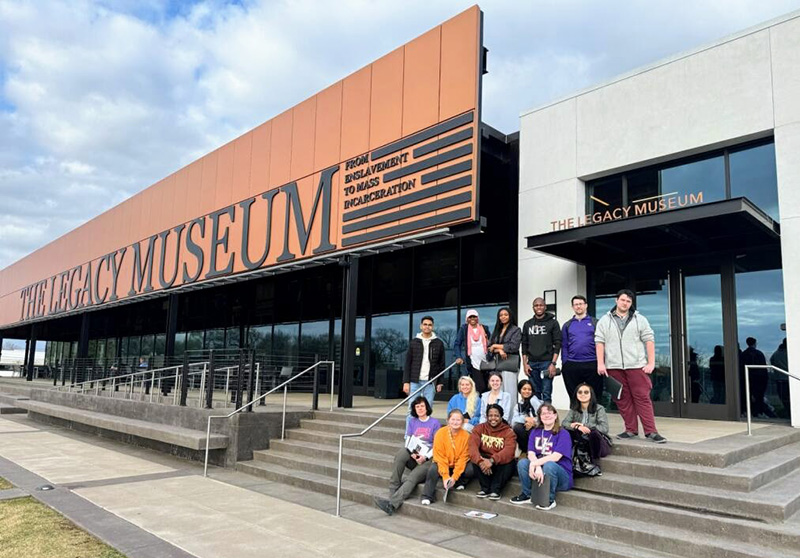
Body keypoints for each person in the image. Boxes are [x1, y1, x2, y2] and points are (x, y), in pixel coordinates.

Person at [596, 289, 666, 443]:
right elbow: (599, 342)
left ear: (631, 303)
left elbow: (649, 340)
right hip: (613, 366)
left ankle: (651, 432)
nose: (625, 303)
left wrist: (651, 362)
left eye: (628, 301)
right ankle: (630, 429)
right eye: (622, 300)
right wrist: (601, 363)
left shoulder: (639, 319)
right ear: (616, 300)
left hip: (636, 366)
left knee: (642, 397)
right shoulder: (604, 320)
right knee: (622, 399)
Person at [374, 396, 441, 515]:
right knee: (401, 453)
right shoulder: (412, 421)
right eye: (417, 406)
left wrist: (424, 457)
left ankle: (392, 504)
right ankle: (393, 489)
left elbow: (437, 445)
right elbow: (408, 442)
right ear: (414, 409)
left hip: (428, 460)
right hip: (414, 456)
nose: (420, 409)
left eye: (422, 406)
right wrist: (414, 455)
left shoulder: (434, 423)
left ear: (427, 407)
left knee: (412, 477)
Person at [511, 403, 572, 510]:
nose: (547, 416)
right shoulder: (535, 432)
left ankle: (549, 499)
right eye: (543, 414)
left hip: (561, 477)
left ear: (555, 416)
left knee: (549, 465)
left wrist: (535, 463)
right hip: (540, 473)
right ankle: (528, 494)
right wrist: (537, 466)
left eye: (549, 413)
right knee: (523, 463)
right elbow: (531, 453)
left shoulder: (563, 433)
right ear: (539, 417)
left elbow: (555, 457)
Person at [420, 409, 473, 505]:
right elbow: (440, 457)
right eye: (453, 419)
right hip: (443, 463)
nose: (455, 422)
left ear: (462, 422)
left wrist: (454, 477)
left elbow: (463, 459)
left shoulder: (466, 436)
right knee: (432, 469)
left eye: (458, 420)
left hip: (457, 465)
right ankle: (427, 495)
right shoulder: (440, 433)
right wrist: (445, 476)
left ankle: (460, 482)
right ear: (448, 420)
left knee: (470, 469)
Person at [403, 316, 446, 429]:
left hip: (430, 382)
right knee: (411, 409)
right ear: (421, 326)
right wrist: (406, 382)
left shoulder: (438, 343)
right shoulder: (414, 342)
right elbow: (408, 363)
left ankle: (424, 434)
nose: (427, 326)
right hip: (414, 381)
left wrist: (440, 382)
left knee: (427, 408)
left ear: (433, 326)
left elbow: (442, 365)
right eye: (425, 324)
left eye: (430, 325)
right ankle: (409, 436)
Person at [468, 404, 517, 499]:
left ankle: (496, 490)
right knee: (476, 457)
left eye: (496, 416)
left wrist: (491, 461)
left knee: (509, 461)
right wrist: (481, 461)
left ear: (501, 417)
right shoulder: (479, 428)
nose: (493, 418)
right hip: (484, 463)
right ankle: (485, 488)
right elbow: (472, 447)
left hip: (499, 463)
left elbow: (509, 451)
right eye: (490, 416)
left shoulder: (508, 432)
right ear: (486, 417)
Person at [560, 295, 602, 406]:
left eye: (581, 304)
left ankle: (594, 421)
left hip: (592, 363)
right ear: (572, 307)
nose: (578, 306)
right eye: (576, 304)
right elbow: (564, 345)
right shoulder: (567, 325)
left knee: (595, 395)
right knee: (574, 396)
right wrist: (565, 363)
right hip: (572, 365)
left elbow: (601, 344)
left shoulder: (595, 323)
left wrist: (601, 362)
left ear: (586, 305)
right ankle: (576, 421)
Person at [562, 383, 612, 476]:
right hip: (582, 443)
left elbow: (604, 428)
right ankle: (566, 461)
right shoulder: (574, 409)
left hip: (599, 444)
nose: (583, 394)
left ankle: (595, 464)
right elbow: (564, 423)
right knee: (568, 431)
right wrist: (577, 426)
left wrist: (584, 425)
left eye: (586, 392)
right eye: (580, 392)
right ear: (576, 395)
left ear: (591, 394)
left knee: (593, 433)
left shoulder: (599, 408)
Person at [522, 298, 561, 403]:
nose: (538, 307)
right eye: (536, 305)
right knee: (534, 393)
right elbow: (524, 346)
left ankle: (548, 418)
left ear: (545, 307)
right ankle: (536, 417)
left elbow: (557, 344)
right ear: (533, 308)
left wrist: (553, 363)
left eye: (541, 305)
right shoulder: (527, 324)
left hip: (547, 363)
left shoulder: (553, 323)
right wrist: (525, 364)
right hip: (532, 364)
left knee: (546, 393)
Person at [488, 307, 522, 401]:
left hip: (509, 363)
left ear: (510, 316)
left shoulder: (516, 330)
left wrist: (496, 345)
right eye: (501, 315)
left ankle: (511, 415)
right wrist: (499, 350)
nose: (503, 317)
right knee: (498, 392)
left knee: (510, 392)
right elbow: (489, 347)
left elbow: (514, 346)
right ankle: (501, 415)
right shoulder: (496, 330)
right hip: (497, 365)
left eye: (506, 315)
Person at [454, 309, 491, 393]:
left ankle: (487, 405)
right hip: (473, 362)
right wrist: (459, 356)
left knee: (487, 387)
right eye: (470, 317)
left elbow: (491, 342)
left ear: (477, 318)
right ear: (467, 319)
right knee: (479, 387)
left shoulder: (484, 328)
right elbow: (457, 344)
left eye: (474, 316)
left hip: (486, 362)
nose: (472, 318)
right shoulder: (464, 329)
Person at [741, 337, 772, 418]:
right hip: (758, 378)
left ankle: (747, 411)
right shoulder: (759, 354)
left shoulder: (743, 354)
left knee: (747, 395)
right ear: (754, 343)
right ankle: (758, 412)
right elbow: (763, 367)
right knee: (759, 396)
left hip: (747, 378)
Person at [511, 379, 541, 453]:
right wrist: (525, 419)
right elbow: (513, 420)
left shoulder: (534, 400)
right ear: (520, 390)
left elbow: (543, 415)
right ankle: (525, 451)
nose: (527, 391)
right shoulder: (518, 405)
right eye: (524, 389)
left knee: (532, 431)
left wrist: (533, 422)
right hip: (525, 426)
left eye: (529, 389)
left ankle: (532, 452)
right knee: (517, 428)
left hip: (537, 425)